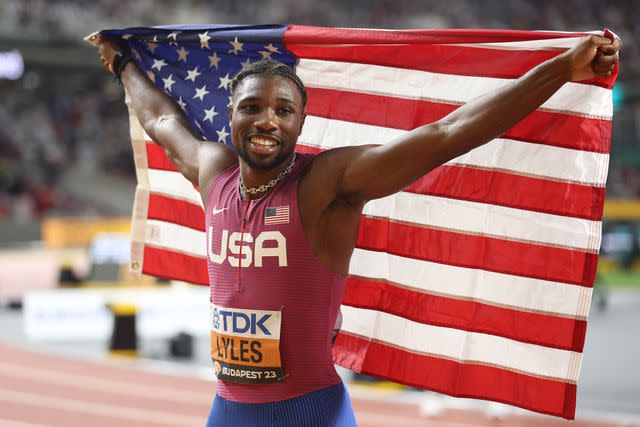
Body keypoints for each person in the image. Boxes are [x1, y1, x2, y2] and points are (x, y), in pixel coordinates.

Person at [96, 32, 621, 426]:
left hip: (311, 412)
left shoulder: (326, 184)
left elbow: (447, 134)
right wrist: (122, 64)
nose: (267, 121)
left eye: (284, 110)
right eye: (251, 108)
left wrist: (558, 69)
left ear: (301, 123)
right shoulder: (214, 172)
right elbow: (162, 122)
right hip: (228, 410)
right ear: (230, 115)